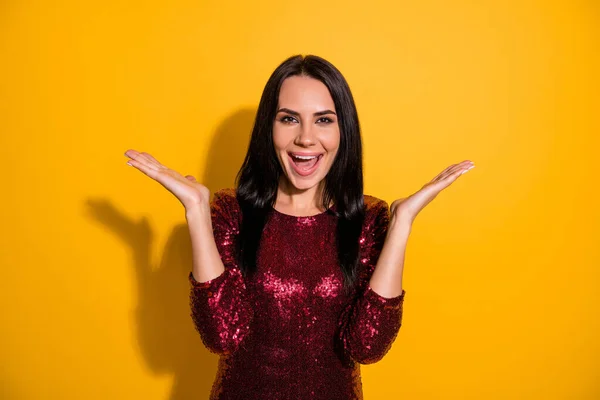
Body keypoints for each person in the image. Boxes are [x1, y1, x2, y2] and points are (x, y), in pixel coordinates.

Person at [124, 54, 475, 399]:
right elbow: (221, 336)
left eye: (323, 120)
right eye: (289, 119)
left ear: (343, 131)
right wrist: (197, 210)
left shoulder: (369, 220)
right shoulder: (231, 212)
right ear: (268, 128)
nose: (306, 138)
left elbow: (368, 346)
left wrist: (401, 224)